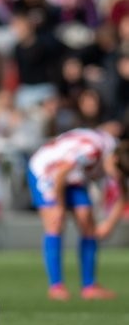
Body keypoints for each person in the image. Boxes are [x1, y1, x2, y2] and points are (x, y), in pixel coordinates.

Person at [26, 127, 129, 300]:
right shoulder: (91, 151)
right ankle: (56, 286)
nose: (116, 177)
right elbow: (61, 173)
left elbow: (122, 191)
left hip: (74, 177)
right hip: (47, 171)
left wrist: (109, 225)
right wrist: (58, 206)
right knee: (55, 222)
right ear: (115, 159)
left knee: (88, 223)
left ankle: (89, 286)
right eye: (117, 173)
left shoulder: (119, 153)